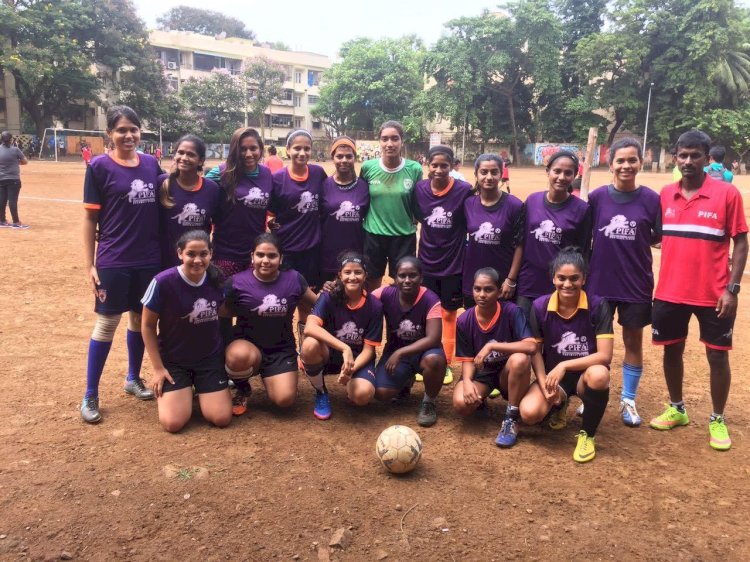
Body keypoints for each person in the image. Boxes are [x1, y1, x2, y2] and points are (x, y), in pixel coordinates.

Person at [649, 129, 748, 451]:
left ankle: (717, 418)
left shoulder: (727, 194)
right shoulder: (665, 194)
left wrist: (732, 289)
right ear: (675, 158)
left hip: (714, 294)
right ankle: (677, 408)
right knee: (671, 351)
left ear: (707, 159)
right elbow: (652, 235)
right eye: (683, 155)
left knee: (717, 356)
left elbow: (741, 241)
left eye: (695, 156)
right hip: (670, 291)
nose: (688, 161)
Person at [80, 105, 162, 423]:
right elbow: (90, 219)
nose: (128, 135)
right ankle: (91, 393)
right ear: (109, 134)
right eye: (121, 130)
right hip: (114, 259)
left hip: (149, 259)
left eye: (133, 129)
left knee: (140, 320)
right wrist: (90, 264)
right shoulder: (99, 167)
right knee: (107, 323)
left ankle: (132, 377)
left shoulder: (151, 164)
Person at [587, 138, 660, 427]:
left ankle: (628, 399)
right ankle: (592, 394)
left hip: (635, 283)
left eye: (632, 160)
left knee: (632, 340)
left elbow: (657, 235)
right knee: (596, 341)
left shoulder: (652, 199)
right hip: (599, 282)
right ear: (610, 164)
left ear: (641, 163)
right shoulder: (597, 198)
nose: (626, 165)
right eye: (620, 160)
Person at [518, 247, 614, 463]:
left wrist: (564, 366)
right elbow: (535, 352)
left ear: (584, 278)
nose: (567, 284)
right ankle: (560, 404)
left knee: (599, 375)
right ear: (553, 278)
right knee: (529, 413)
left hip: (585, 376)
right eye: (561, 278)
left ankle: (587, 435)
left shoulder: (598, 305)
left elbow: (605, 356)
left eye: (574, 278)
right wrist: (543, 383)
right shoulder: (540, 306)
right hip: (555, 379)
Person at [141, 230, 232, 432]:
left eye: (203, 254)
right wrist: (158, 368)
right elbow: (147, 326)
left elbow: (226, 315)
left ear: (211, 254)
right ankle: (185, 390)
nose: (197, 260)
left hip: (208, 359)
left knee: (221, 418)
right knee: (173, 423)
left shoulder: (218, 281)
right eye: (191, 254)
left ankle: (201, 387)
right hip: (174, 361)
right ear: (180, 253)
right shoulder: (163, 282)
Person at [222, 233, 318, 415]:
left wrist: (334, 293)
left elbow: (318, 305)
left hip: (280, 349)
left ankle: (273, 374)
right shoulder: (236, 282)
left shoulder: (294, 279)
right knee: (237, 356)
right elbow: (221, 312)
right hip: (247, 345)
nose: (265, 260)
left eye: (272, 256)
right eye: (260, 255)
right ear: (252, 256)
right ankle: (243, 388)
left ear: (281, 258)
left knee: (284, 400)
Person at [453, 268, 536, 448]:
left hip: (508, 373)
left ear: (499, 292)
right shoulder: (464, 320)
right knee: (461, 403)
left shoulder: (512, 312)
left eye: (488, 289)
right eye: (477, 289)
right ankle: (480, 400)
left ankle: (511, 418)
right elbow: (467, 358)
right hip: (482, 374)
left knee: (520, 359)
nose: (482, 295)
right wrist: (467, 381)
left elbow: (531, 346)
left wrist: (492, 346)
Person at [414, 145, 472, 384]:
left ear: (452, 166)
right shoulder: (419, 189)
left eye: (444, 166)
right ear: (428, 165)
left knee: (448, 314)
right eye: (434, 165)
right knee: (427, 313)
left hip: (453, 264)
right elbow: (418, 217)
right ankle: (425, 358)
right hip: (426, 262)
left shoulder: (464, 190)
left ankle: (445, 363)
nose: (439, 170)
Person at [300, 252, 383, 419]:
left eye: (358, 272)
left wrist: (350, 369)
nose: (352, 277)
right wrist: (345, 348)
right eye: (347, 272)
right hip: (330, 353)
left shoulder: (375, 305)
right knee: (309, 345)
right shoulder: (328, 296)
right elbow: (309, 327)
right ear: (340, 274)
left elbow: (369, 350)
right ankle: (321, 392)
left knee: (363, 395)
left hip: (358, 359)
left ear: (365, 275)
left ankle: (352, 387)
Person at [368, 257, 447, 427]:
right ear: (395, 278)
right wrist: (336, 287)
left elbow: (433, 338)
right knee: (381, 393)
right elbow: (360, 299)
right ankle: (405, 381)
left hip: (424, 352)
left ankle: (428, 402)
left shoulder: (430, 298)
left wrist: (400, 352)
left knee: (434, 361)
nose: (407, 280)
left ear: (421, 278)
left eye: (413, 275)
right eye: (402, 276)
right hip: (396, 351)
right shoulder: (385, 293)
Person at [269, 129, 327, 343]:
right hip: (286, 251)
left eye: (306, 149)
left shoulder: (318, 173)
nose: (302, 153)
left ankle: (304, 347)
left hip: (312, 250)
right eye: (297, 148)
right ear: (287, 150)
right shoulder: (277, 179)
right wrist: (271, 222)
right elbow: (270, 211)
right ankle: (281, 346)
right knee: (283, 300)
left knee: (307, 301)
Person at [516, 151, 591, 317]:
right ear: (548, 171)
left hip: (561, 286)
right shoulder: (532, 201)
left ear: (574, 175)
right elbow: (521, 241)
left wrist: (579, 285)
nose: (561, 177)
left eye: (568, 173)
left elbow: (583, 251)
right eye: (557, 171)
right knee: (524, 330)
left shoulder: (582, 209)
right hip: (528, 283)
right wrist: (512, 279)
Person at [360, 120, 423, 290]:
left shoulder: (414, 169)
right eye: (385, 139)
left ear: (402, 141)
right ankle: (373, 309)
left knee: (403, 285)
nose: (390, 144)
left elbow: (417, 202)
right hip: (373, 235)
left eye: (395, 138)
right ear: (379, 141)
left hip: (403, 237)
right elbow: (362, 198)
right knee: (371, 283)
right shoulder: (367, 167)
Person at [205, 127, 272, 278]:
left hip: (256, 254)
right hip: (226, 254)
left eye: (253, 148)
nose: (248, 154)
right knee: (226, 292)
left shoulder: (267, 174)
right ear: (235, 150)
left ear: (260, 149)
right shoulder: (221, 173)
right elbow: (198, 191)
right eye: (242, 149)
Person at [463, 154, 523, 309]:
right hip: (473, 279)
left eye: (494, 172)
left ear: (501, 174)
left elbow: (520, 245)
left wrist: (511, 279)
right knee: (474, 320)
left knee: (503, 321)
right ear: (476, 174)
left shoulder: (515, 205)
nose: (489, 177)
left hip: (502, 282)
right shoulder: (468, 203)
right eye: (484, 172)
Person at [157, 134, 220, 268]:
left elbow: (217, 225)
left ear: (201, 161)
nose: (184, 158)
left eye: (191, 154)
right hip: (165, 260)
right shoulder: (162, 183)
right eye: (180, 152)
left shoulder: (212, 189)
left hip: (197, 262)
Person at [319, 136, 369, 283]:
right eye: (339, 156)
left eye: (349, 156)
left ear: (355, 158)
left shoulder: (364, 187)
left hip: (355, 255)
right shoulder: (323, 185)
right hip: (328, 255)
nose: (344, 160)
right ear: (332, 158)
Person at [0, 131, 29, 229]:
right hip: (13, 179)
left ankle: (2, 221)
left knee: (2, 201)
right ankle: (16, 222)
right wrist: (16, 162)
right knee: (12, 201)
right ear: (11, 139)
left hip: (1, 179)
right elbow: (25, 161)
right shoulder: (15, 150)